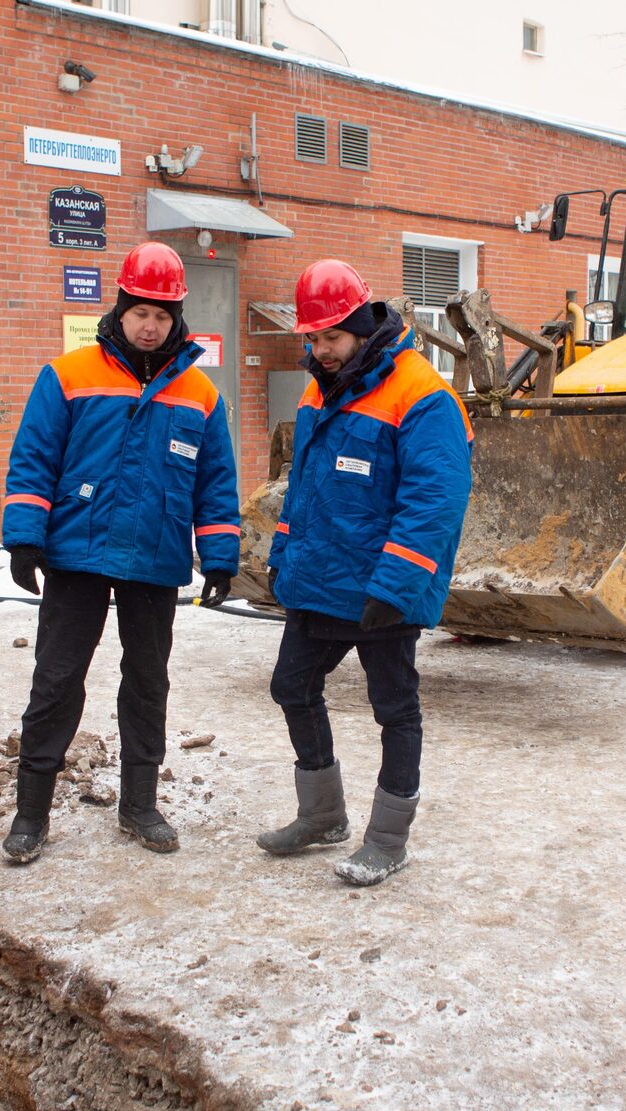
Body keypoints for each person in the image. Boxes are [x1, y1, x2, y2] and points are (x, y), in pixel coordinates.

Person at [0, 241, 241, 864]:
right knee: (56, 681)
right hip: (77, 554)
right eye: (141, 312)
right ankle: (31, 814)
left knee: (146, 683)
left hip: (156, 559)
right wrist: (25, 537)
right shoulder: (69, 375)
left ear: (177, 317)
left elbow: (216, 485)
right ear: (122, 308)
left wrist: (218, 555)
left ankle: (139, 804)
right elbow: (34, 458)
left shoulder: (202, 394)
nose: (151, 325)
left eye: (163, 315)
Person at [257, 259, 473, 887]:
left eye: (331, 338)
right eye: (312, 339)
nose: (320, 350)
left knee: (394, 710)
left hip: (382, 589)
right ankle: (322, 816)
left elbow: (434, 503)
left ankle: (387, 839)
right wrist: (282, 558)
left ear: (360, 326)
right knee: (291, 687)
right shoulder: (317, 387)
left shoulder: (422, 394)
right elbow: (303, 489)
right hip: (320, 580)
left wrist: (395, 586)